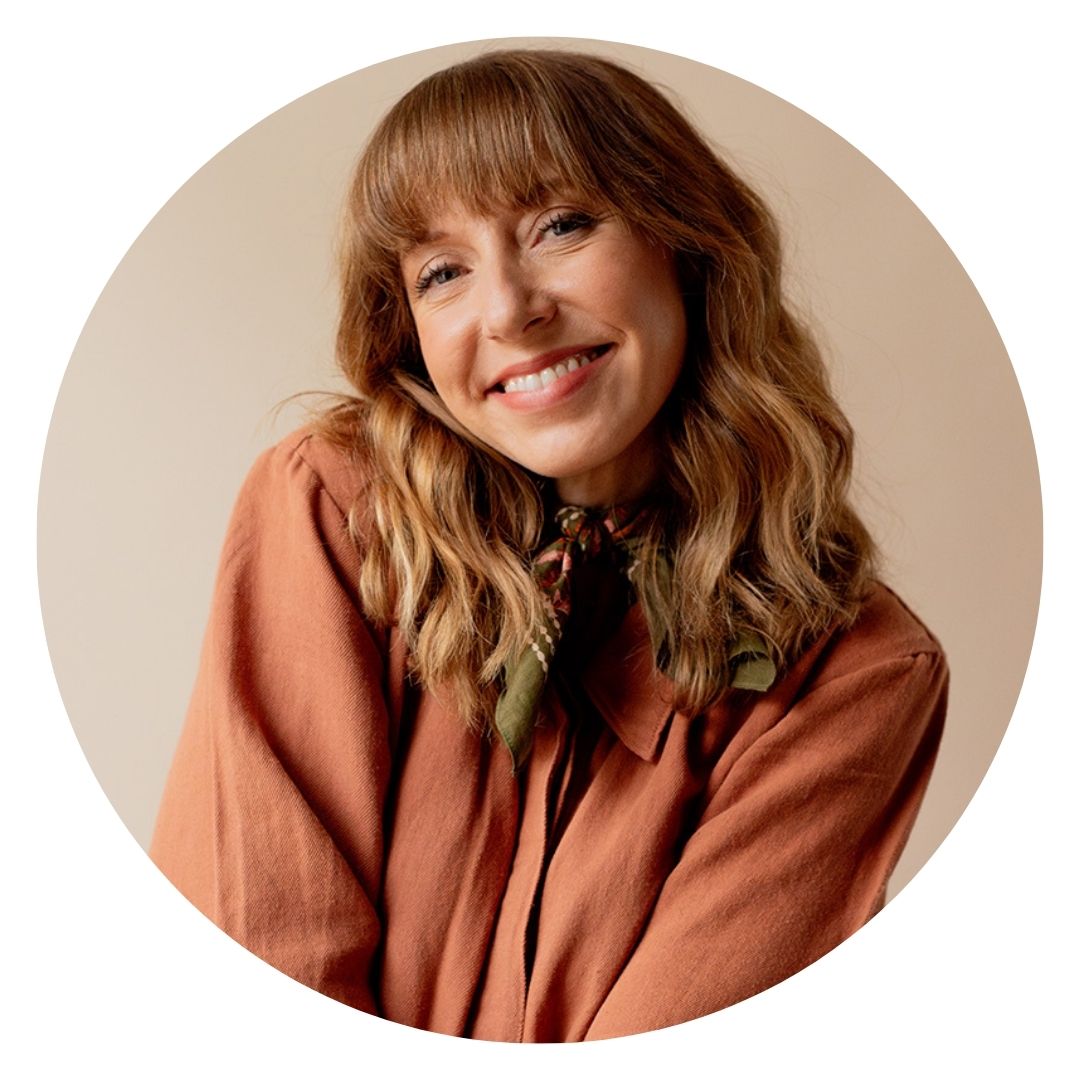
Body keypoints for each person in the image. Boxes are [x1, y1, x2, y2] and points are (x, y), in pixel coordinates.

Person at [150, 49, 948, 1042]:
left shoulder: (858, 672)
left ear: (685, 243)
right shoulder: (332, 509)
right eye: (443, 271)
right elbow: (253, 975)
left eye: (560, 225)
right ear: (411, 334)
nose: (510, 309)